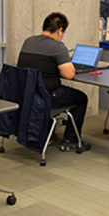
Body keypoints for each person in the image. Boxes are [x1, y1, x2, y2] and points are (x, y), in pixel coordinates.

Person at [17, 12, 91, 152]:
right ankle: (71, 140)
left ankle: (47, 135)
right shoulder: (57, 47)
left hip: (27, 95)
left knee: (57, 91)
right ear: (60, 30)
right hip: (47, 96)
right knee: (81, 98)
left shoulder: (28, 41)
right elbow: (69, 75)